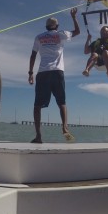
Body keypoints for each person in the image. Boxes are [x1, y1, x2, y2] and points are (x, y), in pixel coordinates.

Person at [28, 8, 80, 143]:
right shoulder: (61, 34)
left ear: (46, 26)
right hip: (57, 72)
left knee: (37, 106)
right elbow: (77, 32)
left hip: (43, 73)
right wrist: (74, 17)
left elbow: (33, 55)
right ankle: (64, 128)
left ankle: (39, 136)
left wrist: (30, 73)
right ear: (57, 26)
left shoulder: (39, 37)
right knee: (62, 102)